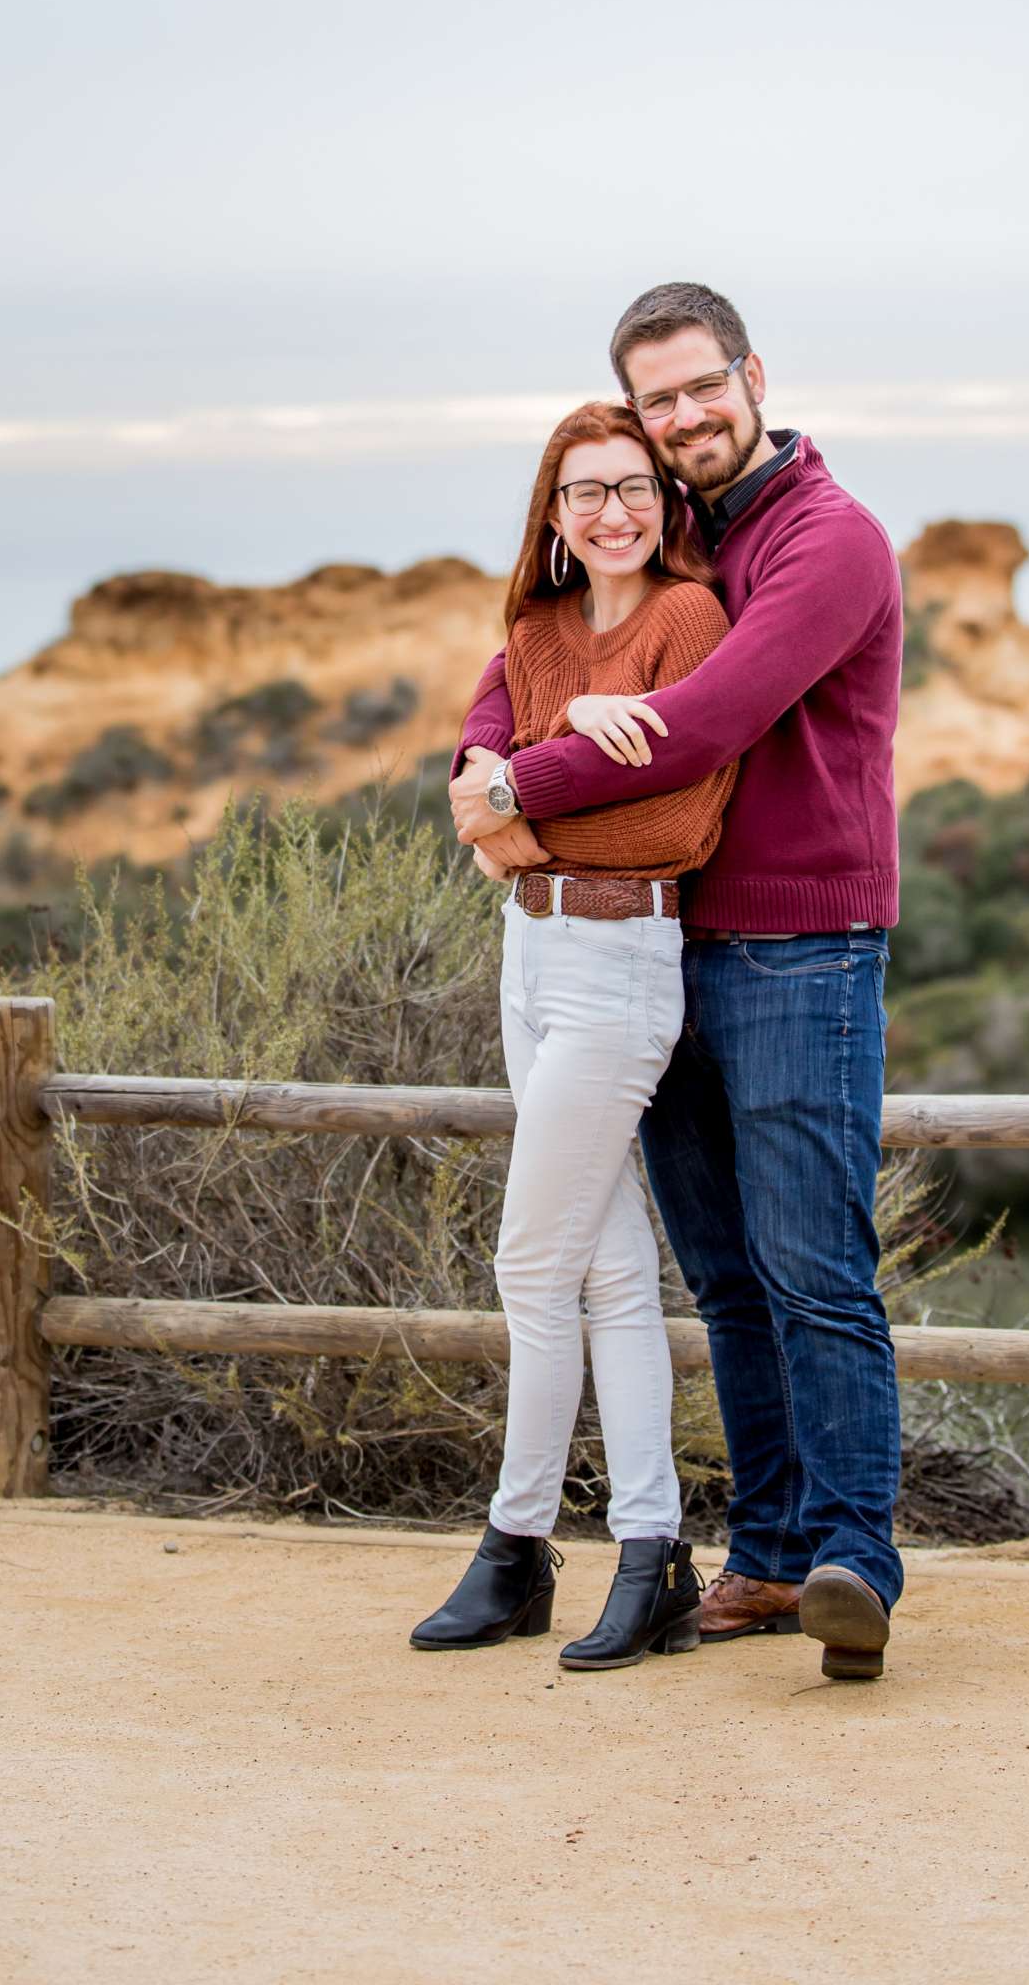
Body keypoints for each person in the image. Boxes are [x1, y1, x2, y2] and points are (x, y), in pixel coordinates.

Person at [451, 281, 904, 1683]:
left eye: (702, 386)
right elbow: (520, 650)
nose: (685, 415)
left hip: (799, 945)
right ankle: (765, 1557)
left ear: (751, 374)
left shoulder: (829, 540)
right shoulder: (687, 525)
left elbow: (700, 721)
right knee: (718, 1273)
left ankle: (852, 1559)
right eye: (658, 401)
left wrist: (516, 784)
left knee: (812, 1265)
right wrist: (479, 762)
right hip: (662, 945)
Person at [411, 399, 737, 1670]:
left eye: (636, 488)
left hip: (621, 958)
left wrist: (519, 799)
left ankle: (515, 1544)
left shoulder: (687, 620)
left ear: (665, 504)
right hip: (530, 955)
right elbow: (465, 798)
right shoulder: (536, 632)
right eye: (588, 492)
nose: (615, 511)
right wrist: (554, 760)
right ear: (554, 513)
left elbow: (673, 822)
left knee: (531, 1265)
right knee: (602, 1275)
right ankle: (651, 1555)